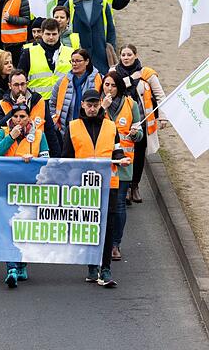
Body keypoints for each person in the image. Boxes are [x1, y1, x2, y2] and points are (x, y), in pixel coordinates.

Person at [62, 89, 130, 287]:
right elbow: (66, 157)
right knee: (88, 226)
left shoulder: (110, 126)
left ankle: (106, 268)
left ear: (100, 105)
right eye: (89, 105)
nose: (92, 109)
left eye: (95, 105)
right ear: (82, 105)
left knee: (107, 226)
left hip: (108, 183)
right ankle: (92, 265)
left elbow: (116, 151)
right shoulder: (73, 127)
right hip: (83, 186)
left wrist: (121, 159)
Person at [0, 101, 50, 287]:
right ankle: (11, 268)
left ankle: (22, 263)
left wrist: (34, 161)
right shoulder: (3, 132)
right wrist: (10, 138)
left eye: (22, 116)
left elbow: (47, 160)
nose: (18, 120)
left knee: (24, 227)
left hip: (29, 188)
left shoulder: (39, 135)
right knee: (8, 227)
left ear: (29, 118)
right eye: (15, 116)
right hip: (6, 187)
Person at [113, 44, 166, 203]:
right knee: (122, 154)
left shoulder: (147, 74)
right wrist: (131, 79)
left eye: (129, 54)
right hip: (120, 125)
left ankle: (134, 186)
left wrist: (163, 117)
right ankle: (124, 186)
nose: (126, 58)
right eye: (123, 55)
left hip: (141, 123)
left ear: (136, 55)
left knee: (139, 156)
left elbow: (160, 96)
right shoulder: (113, 73)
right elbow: (111, 87)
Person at [99, 72, 142, 261]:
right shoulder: (97, 103)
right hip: (101, 162)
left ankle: (115, 244)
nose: (109, 88)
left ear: (119, 87)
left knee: (119, 206)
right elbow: (88, 124)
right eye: (106, 85)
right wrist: (102, 108)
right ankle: (100, 242)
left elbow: (139, 134)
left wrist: (135, 134)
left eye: (113, 85)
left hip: (123, 164)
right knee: (100, 205)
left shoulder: (131, 105)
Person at [68, 0, 116, 74]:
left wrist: (110, 47)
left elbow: (111, 28)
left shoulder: (102, 3)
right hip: (78, 50)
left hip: (99, 51)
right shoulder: (71, 3)